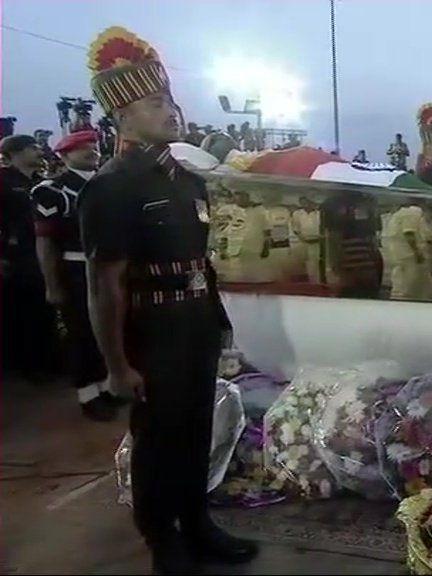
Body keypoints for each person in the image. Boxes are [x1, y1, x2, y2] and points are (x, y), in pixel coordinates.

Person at [79, 27, 258, 573]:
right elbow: (103, 285)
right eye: (155, 102)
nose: (171, 111)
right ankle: (163, 541)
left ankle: (198, 523)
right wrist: (116, 365)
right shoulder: (112, 185)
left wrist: (218, 323)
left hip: (194, 325)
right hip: (150, 331)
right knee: (157, 442)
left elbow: (202, 262)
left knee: (195, 429)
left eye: (171, 101)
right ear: (123, 115)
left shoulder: (186, 179)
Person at [32, 130, 125, 420]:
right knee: (82, 334)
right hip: (76, 268)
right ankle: (87, 394)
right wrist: (52, 284)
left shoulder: (111, 184)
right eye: (81, 147)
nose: (91, 150)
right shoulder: (53, 190)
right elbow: (45, 242)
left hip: (114, 267)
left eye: (94, 145)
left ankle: (108, 387)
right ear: (64, 155)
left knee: (111, 330)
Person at [0, 135, 60, 379]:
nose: (39, 150)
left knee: (45, 308)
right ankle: (29, 366)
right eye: (32, 147)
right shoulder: (3, 181)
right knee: (22, 311)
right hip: (15, 255)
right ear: (15, 153)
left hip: (42, 252)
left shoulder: (42, 182)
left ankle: (49, 360)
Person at [387, 203, 432, 301]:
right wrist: (417, 253)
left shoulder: (398, 214)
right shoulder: (413, 212)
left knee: (413, 286)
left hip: (402, 256)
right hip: (411, 257)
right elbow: (409, 233)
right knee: (409, 288)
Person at [291, 196, 321, 284]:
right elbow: (295, 228)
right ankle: (306, 282)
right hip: (303, 242)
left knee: (316, 263)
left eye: (307, 202)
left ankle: (317, 282)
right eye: (303, 203)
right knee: (303, 263)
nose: (305, 204)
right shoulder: (297, 214)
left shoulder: (319, 213)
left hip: (318, 242)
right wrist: (302, 238)